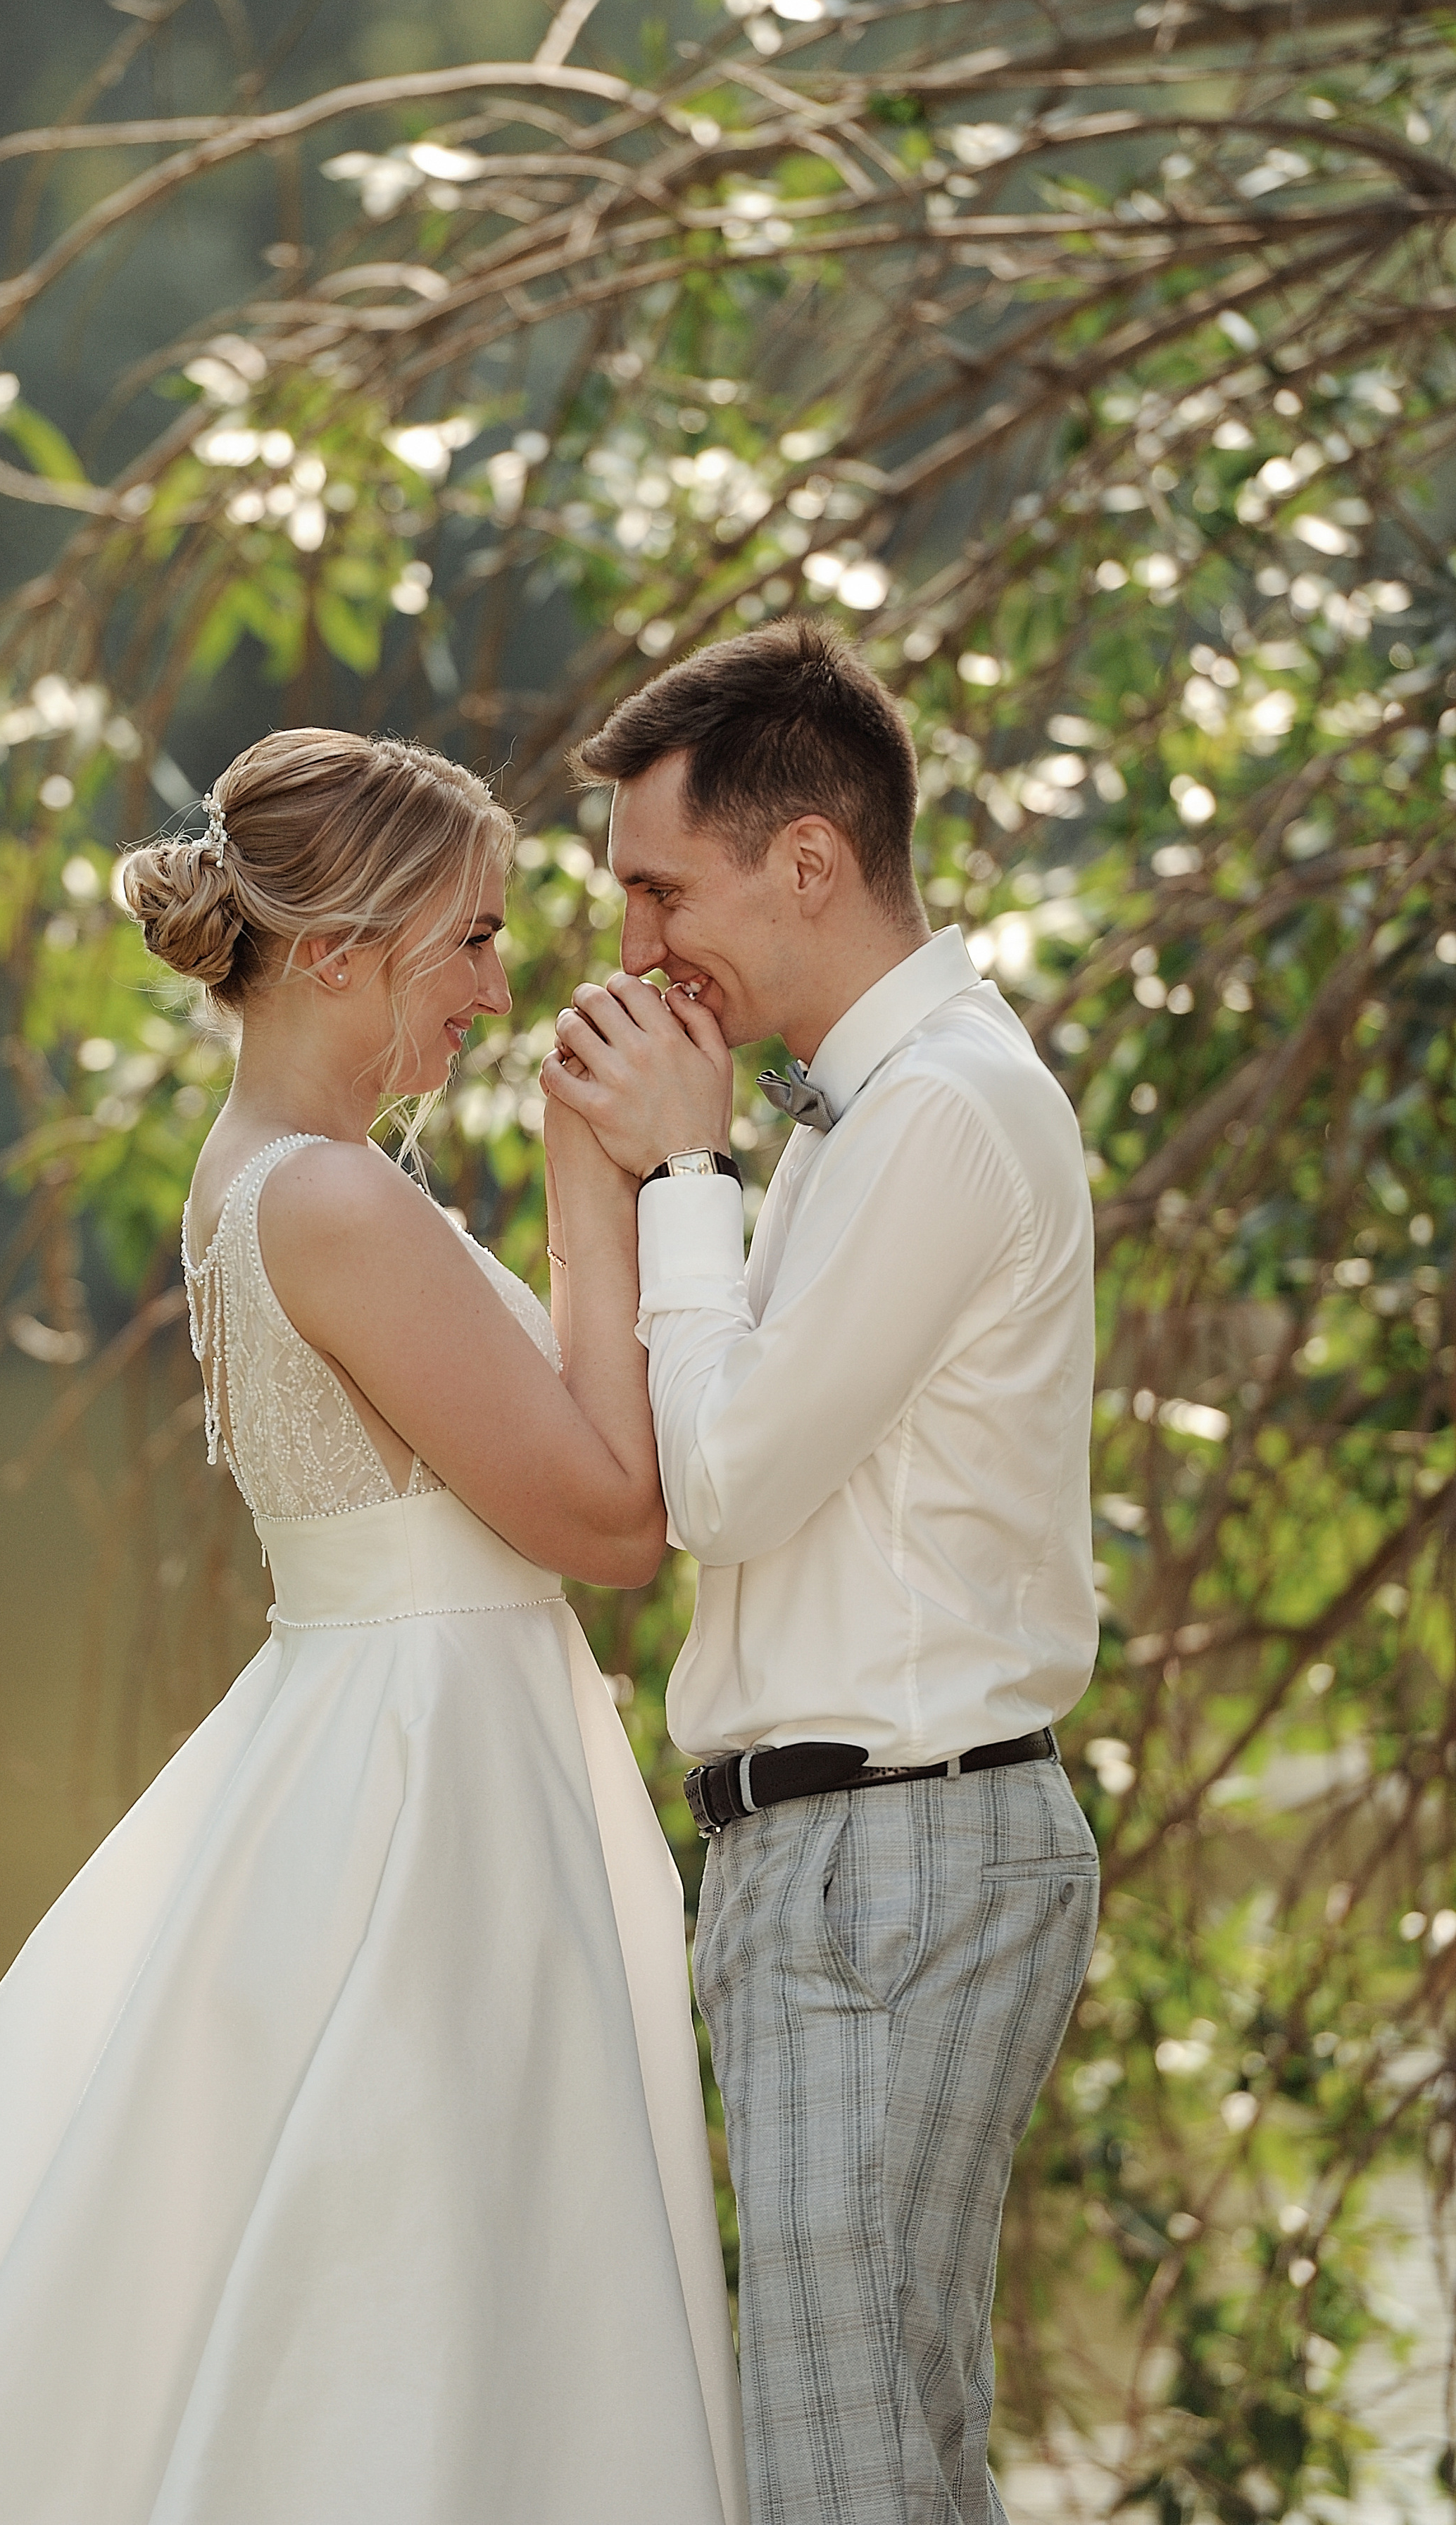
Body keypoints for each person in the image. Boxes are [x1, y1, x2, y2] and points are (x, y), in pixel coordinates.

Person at [0, 727, 745, 2525]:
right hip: (428, 1786)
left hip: (393, 1733)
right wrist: (592, 1179)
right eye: (471, 938)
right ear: (337, 952)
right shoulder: (330, 1196)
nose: (497, 988)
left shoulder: (269, 1171)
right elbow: (615, 1520)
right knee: (429, 2275)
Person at [540, 620, 1100, 2525]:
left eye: (660, 889)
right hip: (855, 1856)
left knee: (843, 2476)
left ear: (806, 861)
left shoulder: (942, 1109)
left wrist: (690, 1177)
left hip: (892, 1858)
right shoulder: (875, 1108)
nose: (635, 947)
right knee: (873, 2459)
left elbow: (728, 1481)